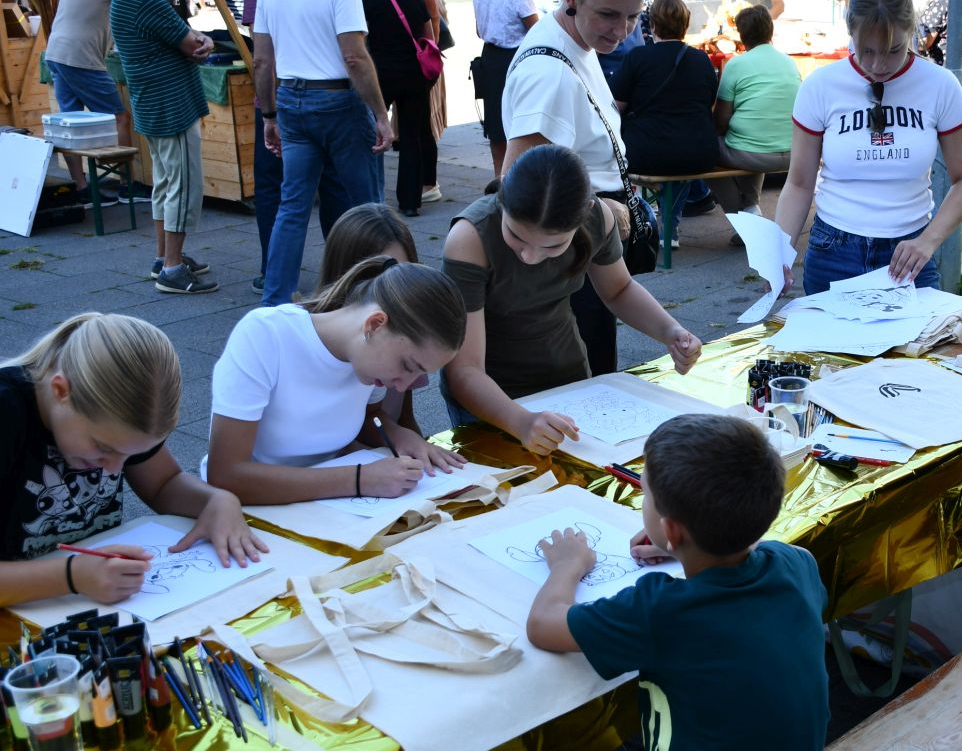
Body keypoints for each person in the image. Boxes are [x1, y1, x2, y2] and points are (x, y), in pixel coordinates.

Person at [510, 413, 828, 751]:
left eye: (645, 496)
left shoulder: (660, 610)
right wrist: (685, 548)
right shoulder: (797, 565)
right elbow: (743, 583)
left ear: (673, 529)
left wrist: (567, 565)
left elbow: (543, 625)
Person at [440, 145, 700, 453]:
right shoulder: (470, 238)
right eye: (516, 236)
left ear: (586, 212)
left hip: (569, 380)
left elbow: (618, 289)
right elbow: (465, 369)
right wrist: (521, 421)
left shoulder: (598, 218)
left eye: (552, 246)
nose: (530, 255)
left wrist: (670, 331)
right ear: (503, 199)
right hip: (490, 398)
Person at [0, 314, 267, 606]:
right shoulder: (8, 416)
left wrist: (217, 500)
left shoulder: (119, 425)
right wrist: (70, 577)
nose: (116, 468)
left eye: (130, 456)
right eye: (103, 448)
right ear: (61, 391)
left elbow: (164, 485)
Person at [502, 0, 654, 378]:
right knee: (586, 381)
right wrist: (597, 207)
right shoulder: (549, 72)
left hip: (584, 245)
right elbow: (516, 183)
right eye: (608, 14)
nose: (621, 30)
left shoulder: (574, 41)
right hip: (570, 253)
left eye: (632, 17)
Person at [773, 0, 962, 295]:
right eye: (866, 50)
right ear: (850, 32)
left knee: (917, 346)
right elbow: (799, 183)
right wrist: (779, 251)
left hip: (909, 252)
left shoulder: (940, 86)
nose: (879, 64)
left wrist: (929, 241)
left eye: (894, 50)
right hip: (834, 252)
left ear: (911, 31)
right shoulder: (820, 86)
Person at [207, 258, 468, 505]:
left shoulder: (368, 362)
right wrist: (358, 479)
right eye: (408, 366)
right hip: (251, 513)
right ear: (375, 325)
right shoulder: (266, 335)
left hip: (331, 509)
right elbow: (227, 474)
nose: (402, 386)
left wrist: (401, 435)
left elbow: (370, 416)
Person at [253, 0, 392, 308]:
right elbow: (355, 57)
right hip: (337, 100)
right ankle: (377, 290)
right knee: (367, 202)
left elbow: (262, 60)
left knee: (292, 206)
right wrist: (381, 115)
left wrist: (268, 116)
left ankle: (276, 299)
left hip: (291, 102)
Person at [110, 0, 218, 295]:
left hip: (153, 103)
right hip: (171, 104)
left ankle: (164, 258)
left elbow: (187, 38)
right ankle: (172, 267)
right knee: (183, 186)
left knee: (166, 183)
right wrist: (206, 41)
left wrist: (197, 40)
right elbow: (192, 43)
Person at [317, 205, 429, 437]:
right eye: (376, 277)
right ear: (343, 273)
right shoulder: (313, 344)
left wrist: (424, 451)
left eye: (401, 276)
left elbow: (404, 418)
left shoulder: (406, 338)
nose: (391, 291)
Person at [46, 0, 136, 205]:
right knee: (119, 117)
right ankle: (126, 185)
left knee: (69, 124)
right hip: (81, 57)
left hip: (56, 52)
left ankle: (83, 188)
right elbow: (132, 2)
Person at [240, 0, 297, 294]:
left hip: (279, 98)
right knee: (331, 190)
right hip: (325, 98)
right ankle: (346, 269)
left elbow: (261, 54)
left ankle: (273, 271)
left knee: (275, 194)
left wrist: (268, 112)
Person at [361, 0, 438, 219]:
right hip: (414, 75)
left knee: (373, 132)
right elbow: (428, 38)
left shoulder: (367, 0)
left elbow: (361, 41)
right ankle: (410, 201)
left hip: (380, 75)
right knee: (412, 135)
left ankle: (371, 194)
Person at [711, 5, 800, 225]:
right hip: (794, 151)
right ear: (770, 31)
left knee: (705, 153)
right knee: (749, 138)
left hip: (753, 154)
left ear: (742, 36)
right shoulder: (789, 62)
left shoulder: (736, 64)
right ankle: (751, 207)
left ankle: (747, 224)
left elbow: (721, 120)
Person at [613, 0, 717, 177]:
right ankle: (694, 199)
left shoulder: (637, 57)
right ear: (686, 24)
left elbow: (615, 108)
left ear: (652, 25)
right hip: (700, 155)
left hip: (645, 154)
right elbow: (710, 104)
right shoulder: (702, 59)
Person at [473, 0, 538, 176]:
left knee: (496, 126)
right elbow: (535, 28)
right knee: (518, 122)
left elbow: (479, 30)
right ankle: (517, 179)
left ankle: (498, 177)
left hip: (489, 57)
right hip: (515, 59)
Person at [404, 0, 447, 204]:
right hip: (422, 64)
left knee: (424, 125)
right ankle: (425, 180)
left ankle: (429, 183)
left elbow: (433, 35)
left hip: (424, 65)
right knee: (419, 125)